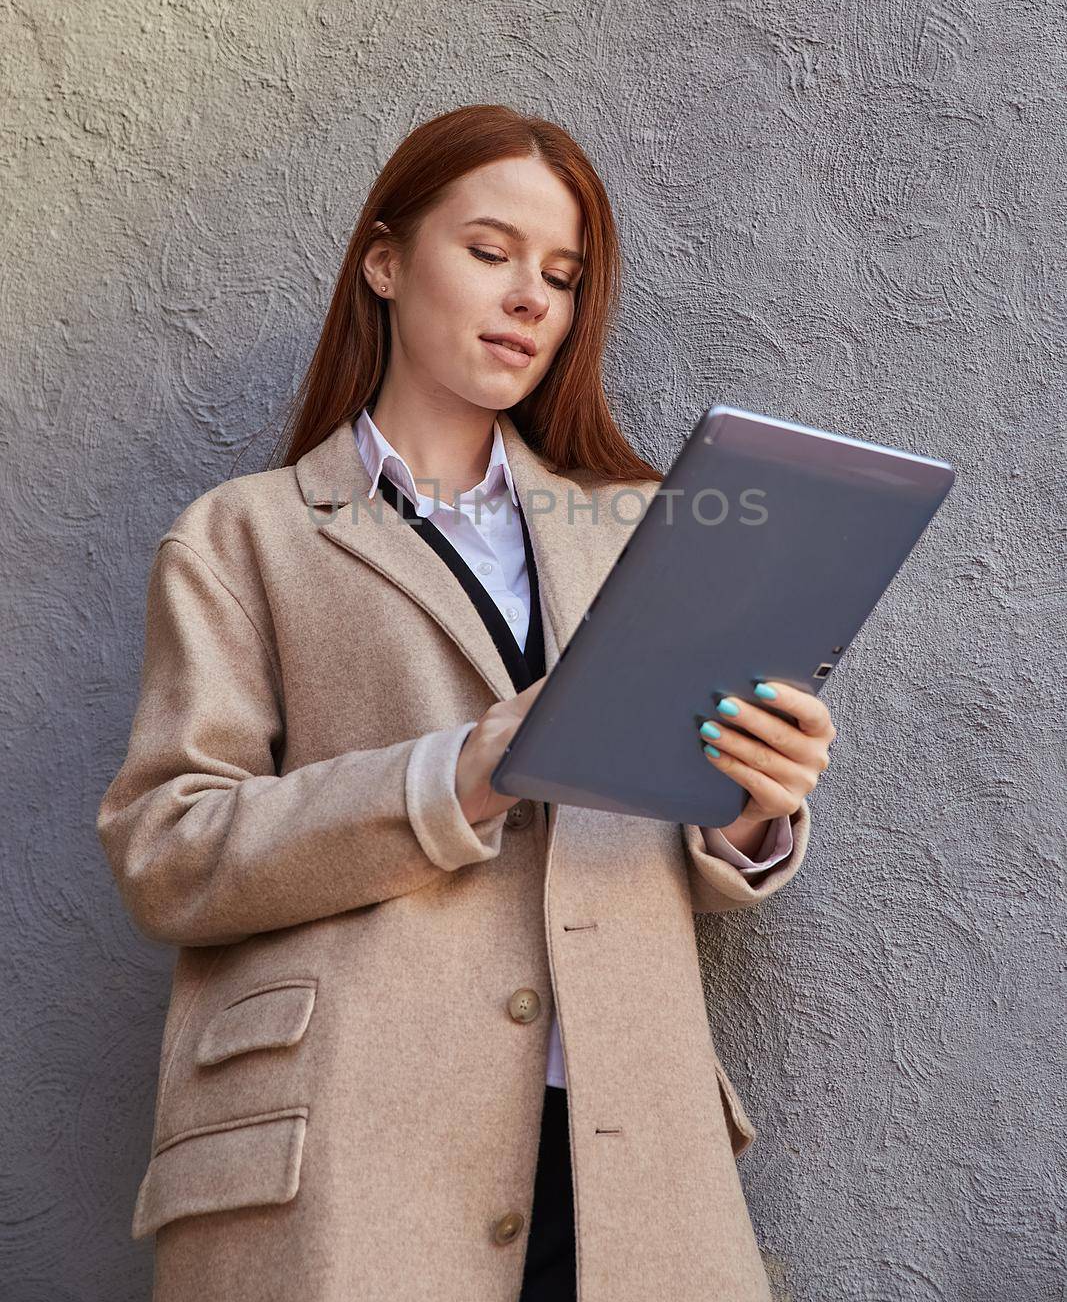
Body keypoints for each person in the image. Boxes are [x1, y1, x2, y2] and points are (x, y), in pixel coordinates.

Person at [97, 103, 835, 1302]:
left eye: (560, 273)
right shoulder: (248, 535)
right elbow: (168, 850)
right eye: (490, 253)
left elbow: (674, 826)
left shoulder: (643, 532)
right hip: (353, 1150)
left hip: (624, 1158)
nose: (530, 297)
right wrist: (461, 770)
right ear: (383, 261)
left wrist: (751, 808)